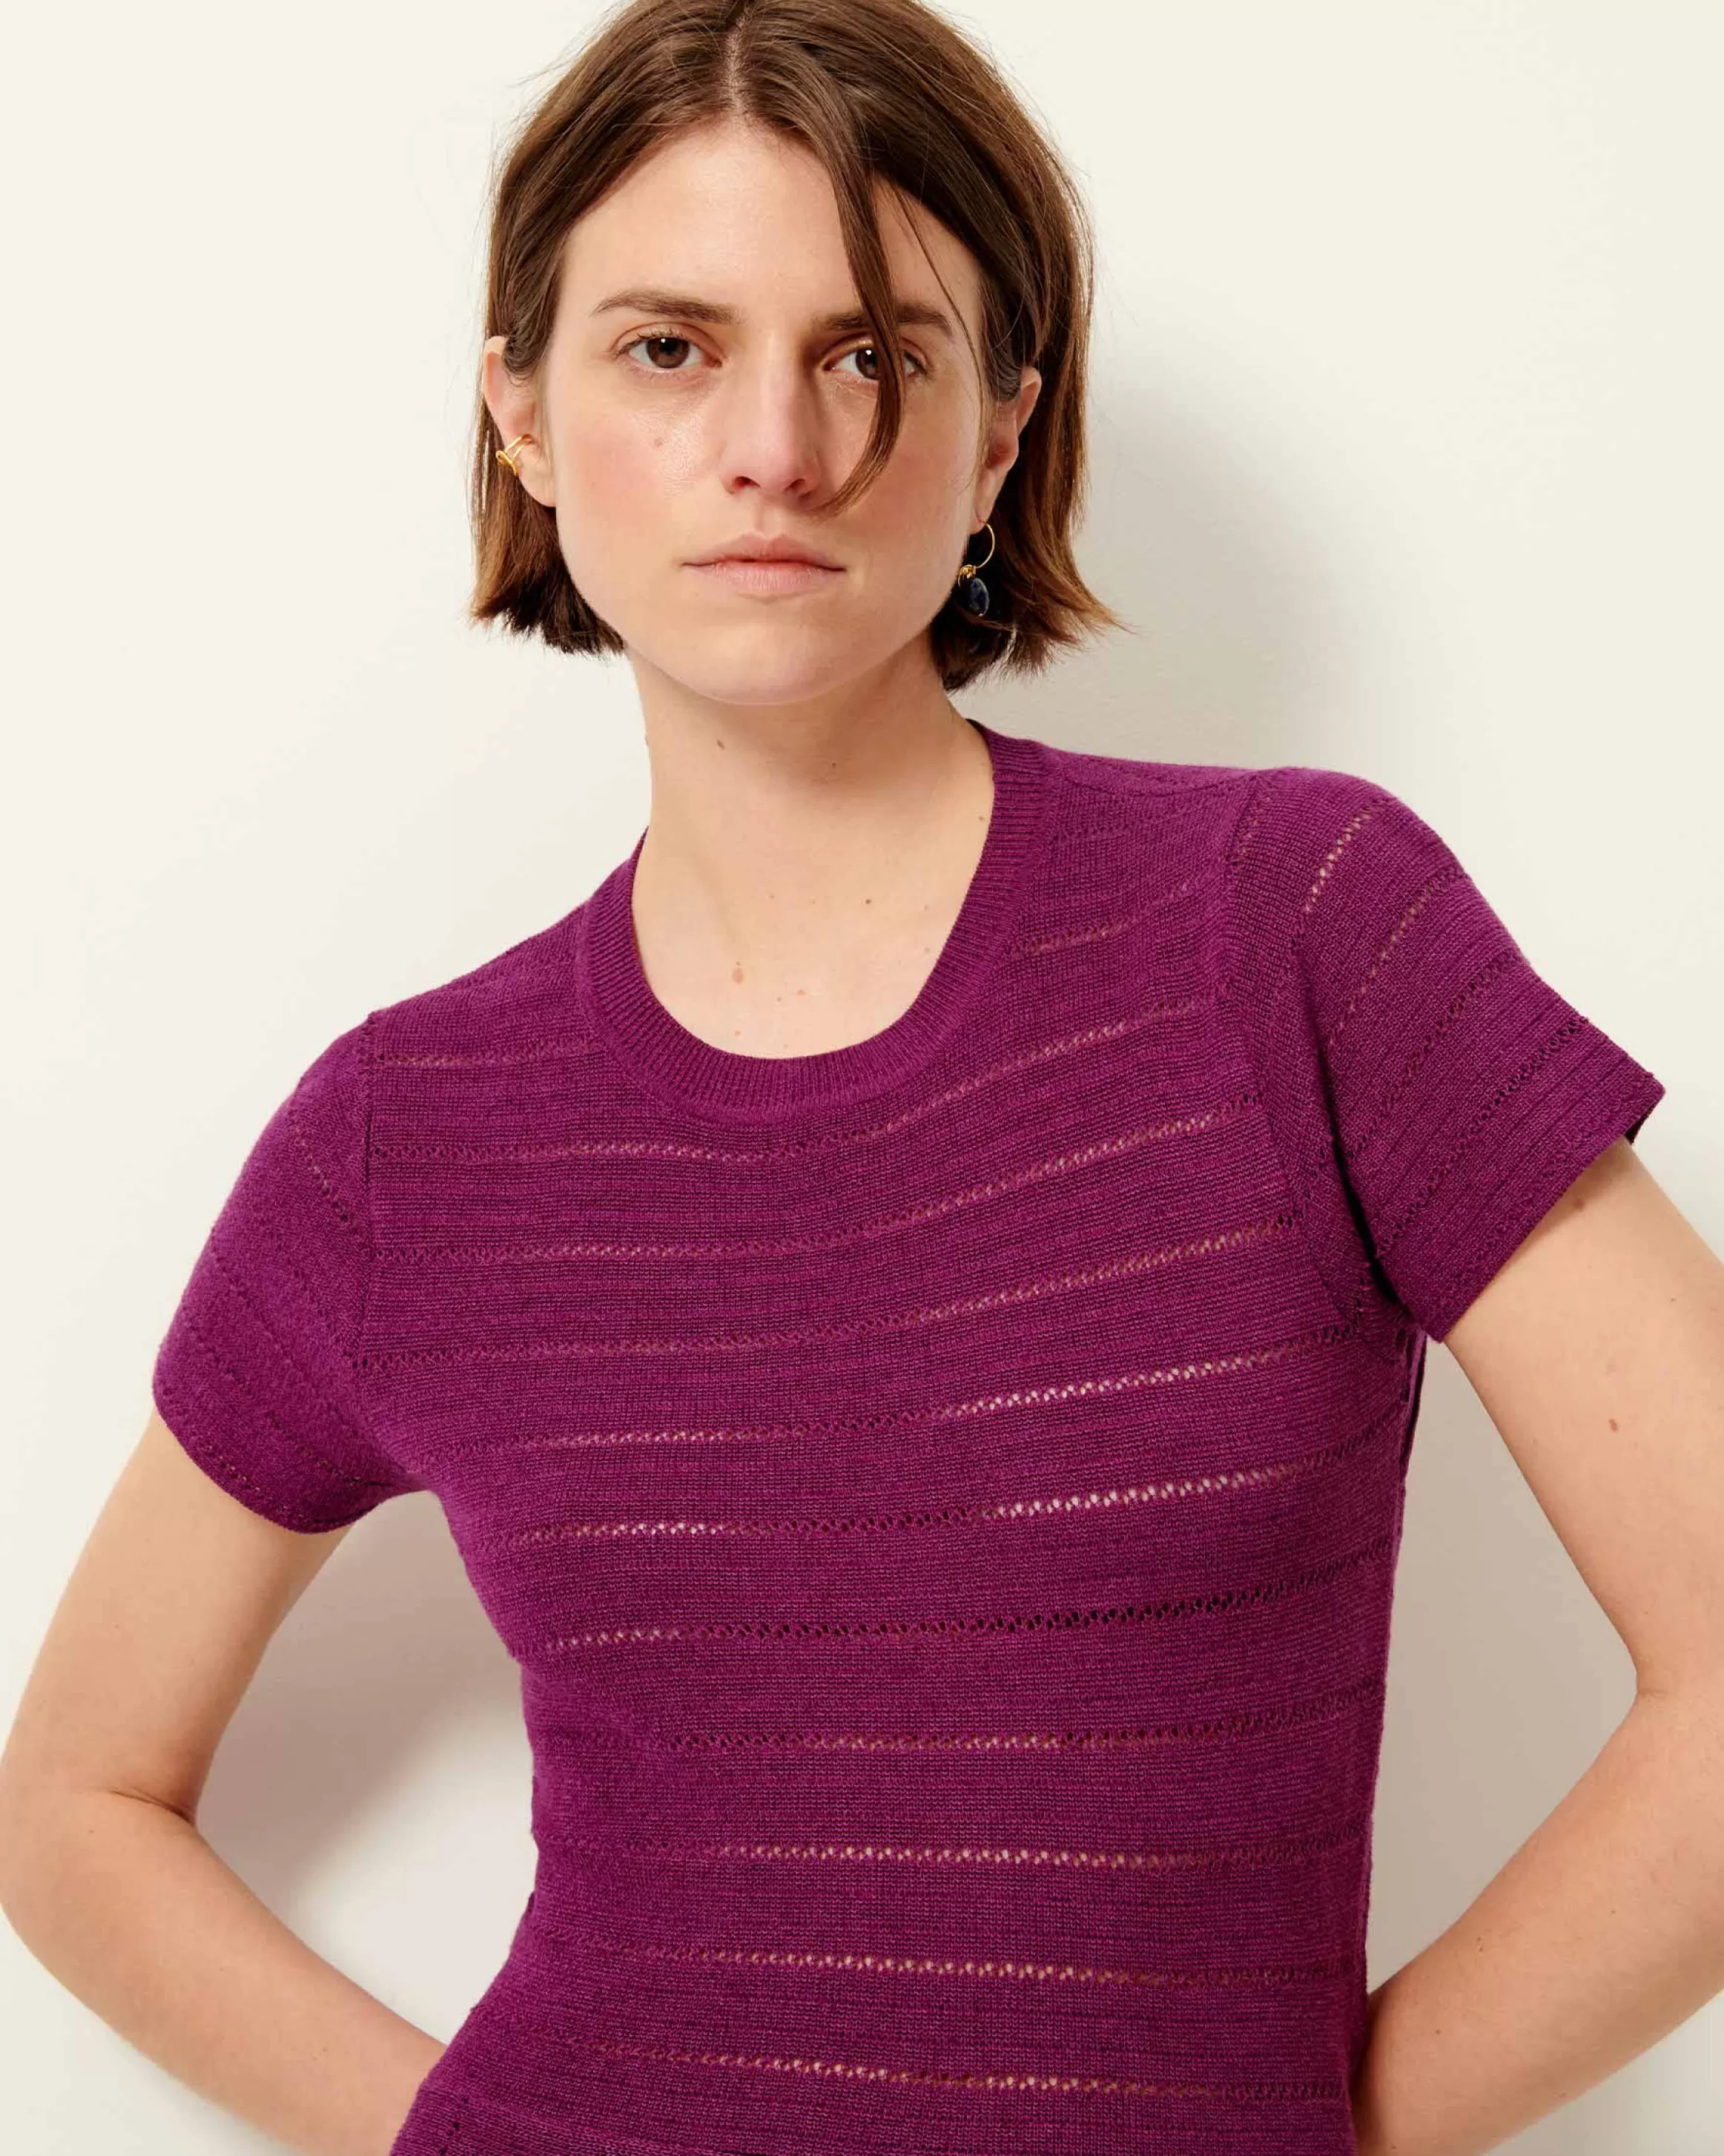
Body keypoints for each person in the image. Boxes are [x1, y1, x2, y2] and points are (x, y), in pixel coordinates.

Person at [5, 1, 1724, 2152]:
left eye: (872, 353)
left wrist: (1302, 2129)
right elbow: (73, 1801)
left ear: (1000, 429)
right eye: (667, 347)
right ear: (519, 415)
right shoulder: (403, 1141)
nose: (777, 447)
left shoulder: (1294, 929)